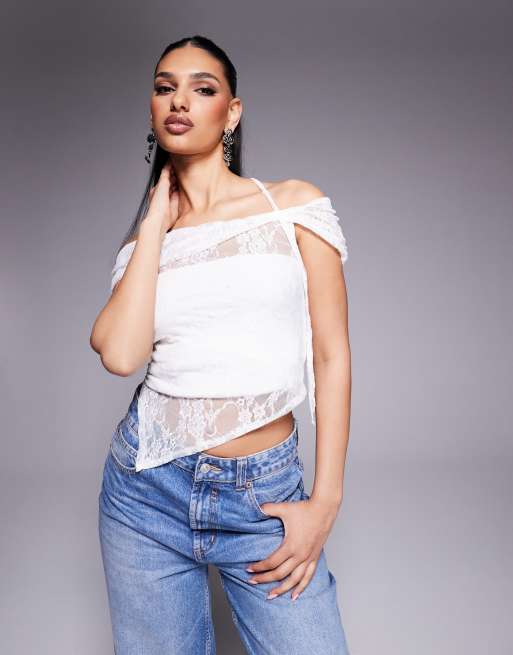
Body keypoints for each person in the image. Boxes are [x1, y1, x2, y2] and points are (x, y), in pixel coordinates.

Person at [90, 34, 352, 655]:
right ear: (153, 110)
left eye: (201, 89)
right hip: (145, 494)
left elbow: (332, 355)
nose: (179, 101)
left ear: (232, 112)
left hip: (262, 497)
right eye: (165, 88)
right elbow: (120, 355)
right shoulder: (145, 246)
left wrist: (325, 501)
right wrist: (156, 219)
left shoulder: (292, 207)